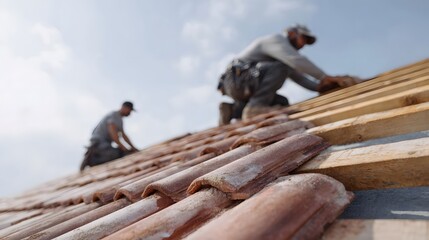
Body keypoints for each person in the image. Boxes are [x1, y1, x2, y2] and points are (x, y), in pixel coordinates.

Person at [217, 24, 358, 125]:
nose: (303, 45)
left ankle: (232, 110)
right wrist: (325, 77)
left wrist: (320, 87)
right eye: (303, 38)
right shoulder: (276, 40)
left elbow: (300, 78)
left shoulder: (282, 56)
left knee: (282, 102)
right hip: (237, 79)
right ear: (292, 33)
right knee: (283, 66)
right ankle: (255, 107)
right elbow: (296, 61)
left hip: (238, 85)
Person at [80, 101, 139, 171]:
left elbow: (123, 136)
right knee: (117, 154)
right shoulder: (114, 115)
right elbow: (113, 135)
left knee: (120, 152)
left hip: (105, 144)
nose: (130, 113)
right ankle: (92, 160)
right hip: (99, 144)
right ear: (124, 107)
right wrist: (124, 149)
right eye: (129, 110)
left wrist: (133, 148)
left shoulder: (119, 120)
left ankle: (95, 158)